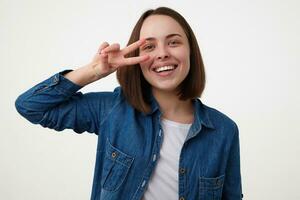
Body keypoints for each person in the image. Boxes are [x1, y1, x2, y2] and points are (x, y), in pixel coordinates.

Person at [15, 6, 243, 200]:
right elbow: (31, 106)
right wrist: (94, 71)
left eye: (173, 42)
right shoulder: (113, 109)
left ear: (191, 51)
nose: (162, 54)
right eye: (149, 47)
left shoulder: (224, 130)